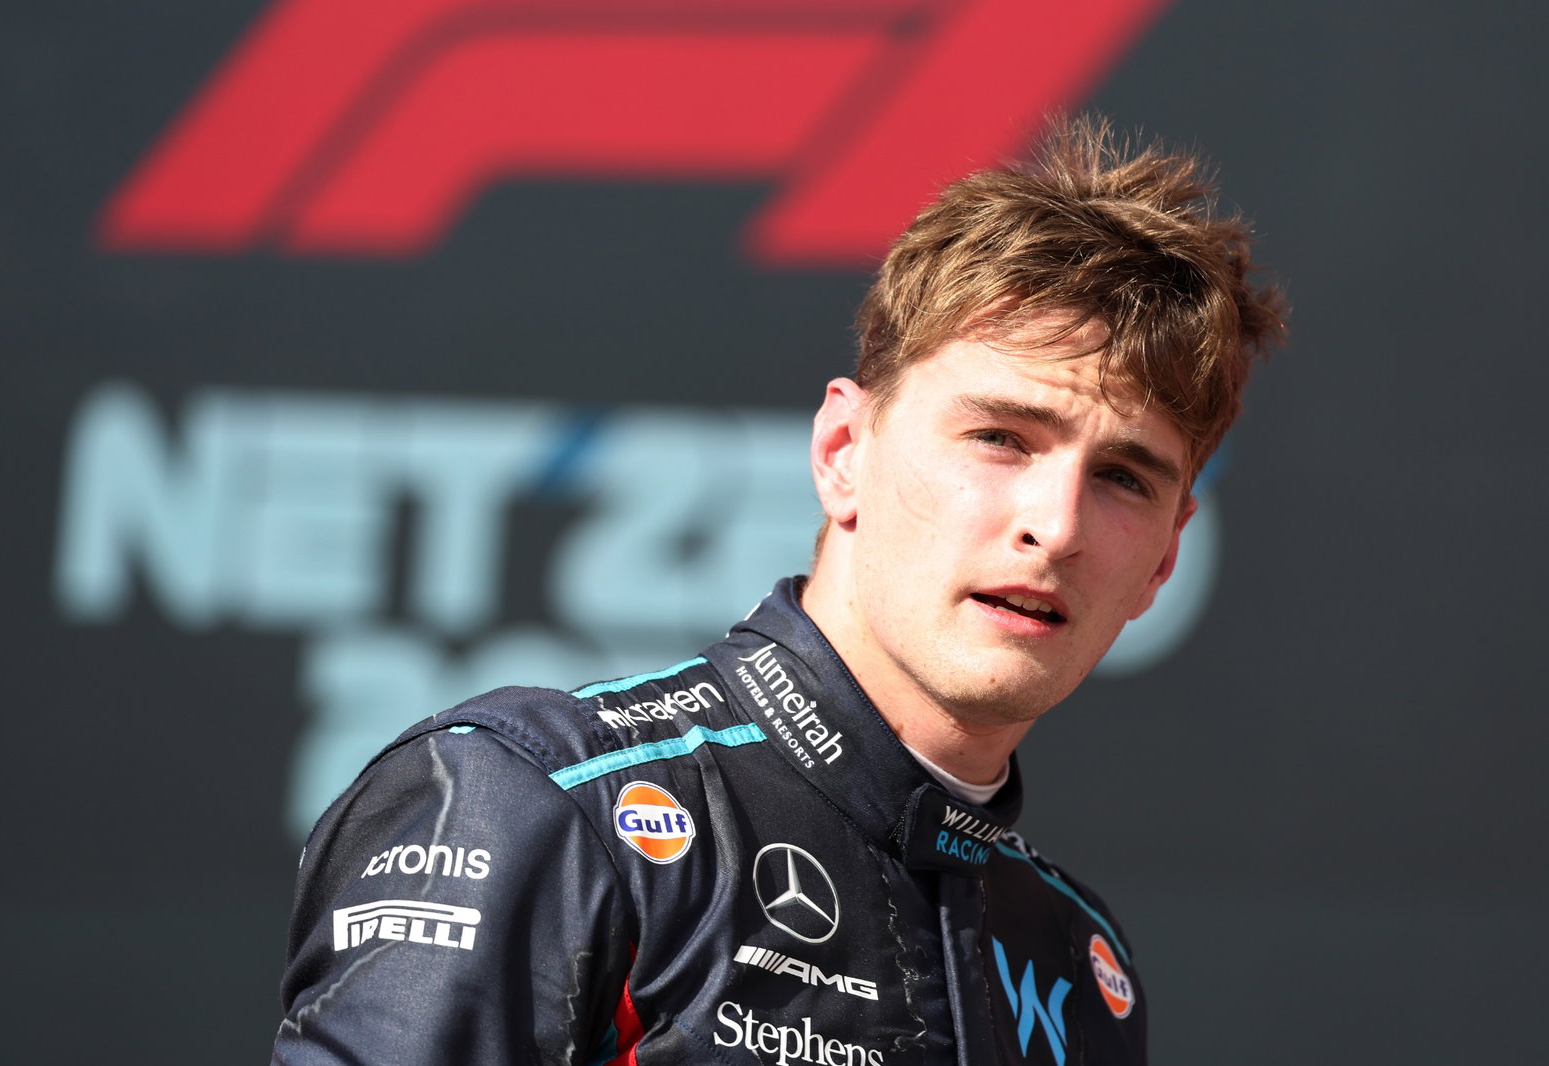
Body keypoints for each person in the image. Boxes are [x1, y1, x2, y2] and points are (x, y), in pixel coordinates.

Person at [272, 115, 1286, 1066]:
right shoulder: (539, 804)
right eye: (1000, 438)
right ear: (843, 450)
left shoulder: (1077, 963)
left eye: (1122, 477)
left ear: (1163, 558)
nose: (1053, 526)